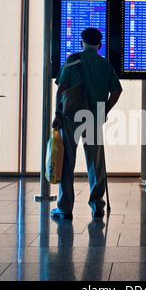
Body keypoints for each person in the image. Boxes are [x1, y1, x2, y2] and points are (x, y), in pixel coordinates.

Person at [51, 28, 122, 219]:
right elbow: (116, 91)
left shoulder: (72, 60)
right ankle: (97, 205)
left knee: (67, 162)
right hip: (94, 117)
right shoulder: (105, 65)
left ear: (81, 43)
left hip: (71, 117)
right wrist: (104, 111)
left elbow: (62, 89)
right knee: (96, 163)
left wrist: (58, 113)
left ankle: (65, 208)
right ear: (100, 46)